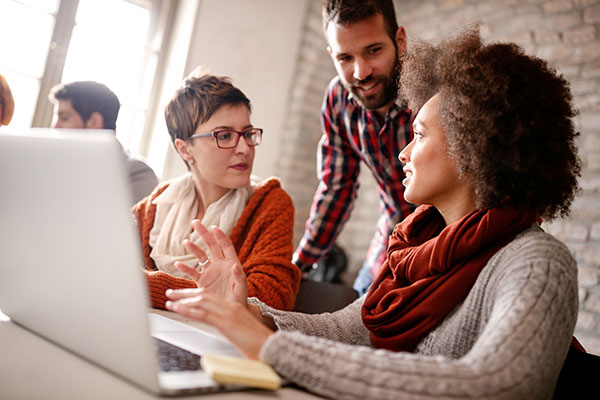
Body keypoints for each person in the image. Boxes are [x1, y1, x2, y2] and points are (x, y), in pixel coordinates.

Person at [165, 28, 582, 399]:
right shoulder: (417, 246)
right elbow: (351, 329)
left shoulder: (536, 262)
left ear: (471, 151)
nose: (402, 153)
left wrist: (270, 347)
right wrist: (251, 312)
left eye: (418, 135)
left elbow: (494, 386)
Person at [132, 70, 301, 311]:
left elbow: (272, 299)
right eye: (224, 135)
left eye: (248, 134)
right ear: (184, 149)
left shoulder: (269, 203)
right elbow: (108, 264)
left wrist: (143, 285)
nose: (244, 148)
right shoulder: (158, 205)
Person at [294, 0, 416, 295]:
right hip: (393, 231)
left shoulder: (433, 87)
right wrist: (298, 267)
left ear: (399, 40)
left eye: (373, 51)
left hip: (450, 232)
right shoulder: (337, 98)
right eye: (345, 58)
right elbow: (337, 188)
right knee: (361, 306)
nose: (361, 72)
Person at [49, 81, 158, 205]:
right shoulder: (58, 165)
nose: (55, 126)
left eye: (64, 118)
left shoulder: (138, 174)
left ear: (94, 122)